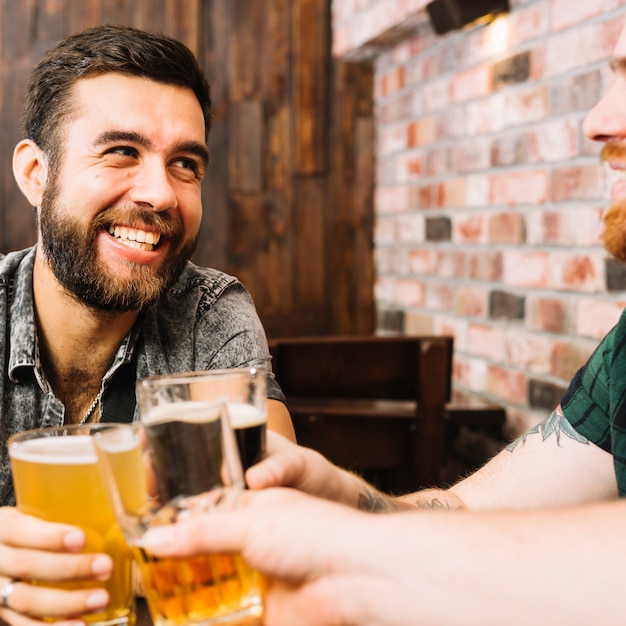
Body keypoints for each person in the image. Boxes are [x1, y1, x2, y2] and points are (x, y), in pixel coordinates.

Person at [139, 12, 626, 626]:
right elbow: (471, 512)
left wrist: (353, 557)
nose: (597, 121)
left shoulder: (214, 305)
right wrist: (345, 501)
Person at [0, 24, 294, 624]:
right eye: (121, 152)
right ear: (35, 174)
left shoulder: (210, 311)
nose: (160, 194)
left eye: (184, 163)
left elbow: (275, 514)